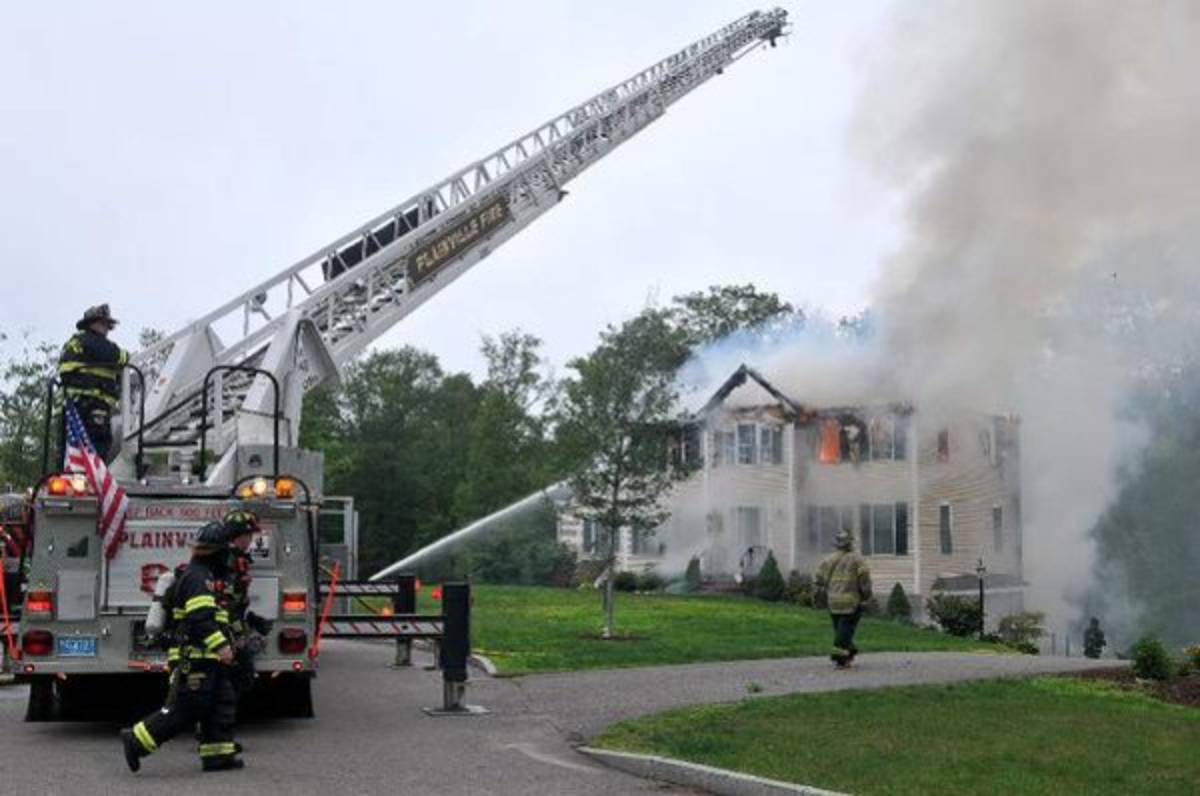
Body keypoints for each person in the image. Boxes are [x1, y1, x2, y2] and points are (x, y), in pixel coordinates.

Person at [120, 523, 243, 773]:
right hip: (194, 657)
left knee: (221, 702)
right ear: (216, 552)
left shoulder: (206, 576)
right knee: (189, 708)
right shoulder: (197, 578)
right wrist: (222, 648)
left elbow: (219, 616)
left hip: (208, 657)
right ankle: (136, 740)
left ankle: (217, 755)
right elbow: (200, 619)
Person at [58, 304, 129, 462]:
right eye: (102, 323)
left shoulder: (74, 342)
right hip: (92, 406)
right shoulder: (94, 342)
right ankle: (93, 481)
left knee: (70, 449)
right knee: (98, 447)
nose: (106, 329)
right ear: (92, 323)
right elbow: (120, 357)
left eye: (107, 325)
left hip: (73, 406)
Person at [219, 510, 272, 701]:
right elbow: (225, 602)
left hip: (233, 623)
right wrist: (238, 633)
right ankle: (219, 716)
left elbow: (237, 600)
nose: (250, 540)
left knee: (240, 675)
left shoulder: (236, 558)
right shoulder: (229, 561)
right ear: (237, 536)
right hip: (226, 628)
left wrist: (252, 620)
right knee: (241, 674)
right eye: (248, 535)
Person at [814, 529, 872, 668]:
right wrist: (866, 596)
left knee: (841, 630)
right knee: (845, 631)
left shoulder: (828, 559)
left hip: (833, 601)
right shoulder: (858, 560)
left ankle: (849, 651)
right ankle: (841, 659)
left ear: (836, 544)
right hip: (851, 602)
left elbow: (818, 578)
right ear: (851, 544)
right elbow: (864, 580)